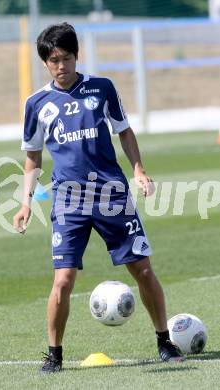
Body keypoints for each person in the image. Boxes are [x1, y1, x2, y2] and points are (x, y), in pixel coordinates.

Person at [13, 22, 184, 373]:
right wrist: (26, 201)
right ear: (45, 62)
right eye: (54, 59)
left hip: (111, 194)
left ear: (78, 55)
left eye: (68, 57)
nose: (62, 65)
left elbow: (124, 130)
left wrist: (138, 169)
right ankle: (54, 354)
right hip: (68, 200)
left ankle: (164, 340)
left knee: (143, 269)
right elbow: (33, 157)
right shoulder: (36, 104)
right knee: (62, 280)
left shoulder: (102, 88)